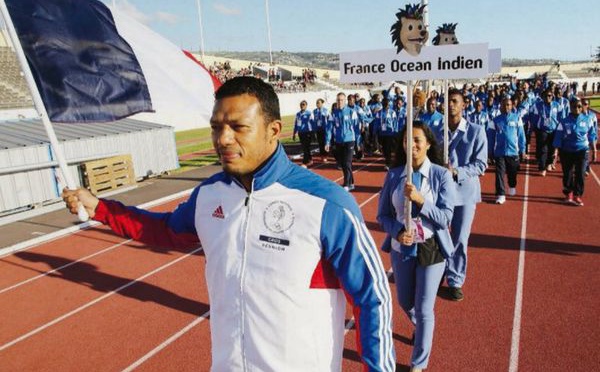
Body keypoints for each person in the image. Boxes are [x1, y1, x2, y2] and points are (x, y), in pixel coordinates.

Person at [62, 77, 395, 371]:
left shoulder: (326, 204)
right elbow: (163, 229)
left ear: (273, 130)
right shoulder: (209, 195)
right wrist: (101, 209)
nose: (222, 139)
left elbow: (372, 295)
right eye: (216, 127)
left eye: (238, 127)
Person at [377, 121, 456, 372]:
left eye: (417, 140)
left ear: (428, 144)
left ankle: (418, 363)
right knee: (404, 301)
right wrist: (398, 233)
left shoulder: (441, 175)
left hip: (432, 247)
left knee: (424, 309)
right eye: (406, 140)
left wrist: (421, 201)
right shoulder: (394, 175)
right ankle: (422, 327)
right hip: (404, 248)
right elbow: (383, 216)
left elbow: (445, 218)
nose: (411, 145)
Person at [431, 89, 487, 301]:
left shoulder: (476, 131)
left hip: (465, 194)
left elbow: (481, 164)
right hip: (441, 194)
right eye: (447, 101)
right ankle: (438, 273)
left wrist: (456, 172)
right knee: (439, 236)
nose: (450, 105)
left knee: (459, 239)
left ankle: (455, 279)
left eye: (455, 101)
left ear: (464, 105)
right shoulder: (436, 130)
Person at [553, 98, 597, 206]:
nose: (577, 109)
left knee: (580, 173)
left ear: (582, 108)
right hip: (567, 151)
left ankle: (578, 195)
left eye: (579, 107)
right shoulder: (564, 121)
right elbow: (558, 136)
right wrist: (555, 151)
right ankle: (569, 193)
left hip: (582, 150)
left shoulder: (588, 120)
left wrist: (594, 150)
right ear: (570, 107)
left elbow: (592, 136)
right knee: (567, 174)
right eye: (574, 107)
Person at [487, 97, 526, 205]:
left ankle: (512, 185)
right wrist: (489, 152)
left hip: (513, 152)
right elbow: (490, 138)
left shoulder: (517, 118)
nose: (506, 107)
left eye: (508, 105)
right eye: (504, 105)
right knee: (499, 173)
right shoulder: (494, 121)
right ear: (500, 107)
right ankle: (500, 194)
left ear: (512, 106)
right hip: (499, 152)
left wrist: (522, 150)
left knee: (512, 173)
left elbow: (521, 136)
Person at [326, 92, 360, 191]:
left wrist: (358, 141)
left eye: (341, 100)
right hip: (339, 141)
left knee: (347, 162)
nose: (339, 102)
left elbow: (356, 128)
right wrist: (327, 142)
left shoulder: (351, 112)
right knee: (343, 163)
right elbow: (329, 128)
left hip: (350, 140)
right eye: (338, 100)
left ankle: (347, 183)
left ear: (345, 101)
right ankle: (351, 183)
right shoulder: (333, 113)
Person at [529, 89, 559, 176]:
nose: (548, 97)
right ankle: (542, 167)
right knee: (543, 149)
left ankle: (549, 163)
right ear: (542, 97)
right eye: (546, 96)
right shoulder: (537, 106)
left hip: (553, 129)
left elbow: (561, 117)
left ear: (552, 96)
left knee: (551, 148)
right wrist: (532, 129)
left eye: (549, 96)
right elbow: (534, 118)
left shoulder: (557, 105)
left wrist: (560, 129)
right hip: (542, 130)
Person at [373, 98, 399, 169]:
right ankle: (389, 161)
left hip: (390, 133)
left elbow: (395, 122)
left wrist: (395, 131)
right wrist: (374, 131)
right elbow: (376, 122)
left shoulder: (392, 112)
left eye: (387, 104)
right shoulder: (379, 113)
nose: (386, 105)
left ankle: (388, 163)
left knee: (388, 148)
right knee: (384, 149)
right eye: (385, 104)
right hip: (382, 134)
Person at [292, 100, 314, 167]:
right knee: (305, 147)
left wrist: (313, 133)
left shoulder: (309, 113)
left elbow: (313, 123)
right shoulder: (298, 114)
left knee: (306, 147)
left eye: (304, 104)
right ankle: (310, 160)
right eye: (301, 104)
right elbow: (296, 124)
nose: (302, 106)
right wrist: (294, 133)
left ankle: (305, 161)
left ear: (306, 106)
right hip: (300, 133)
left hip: (307, 133)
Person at [313, 98, 329, 162]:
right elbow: (314, 121)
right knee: (320, 143)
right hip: (318, 129)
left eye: (319, 103)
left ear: (322, 103)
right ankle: (322, 155)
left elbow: (328, 119)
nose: (317, 104)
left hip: (324, 129)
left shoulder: (326, 110)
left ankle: (325, 155)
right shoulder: (314, 111)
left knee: (325, 142)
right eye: (317, 103)